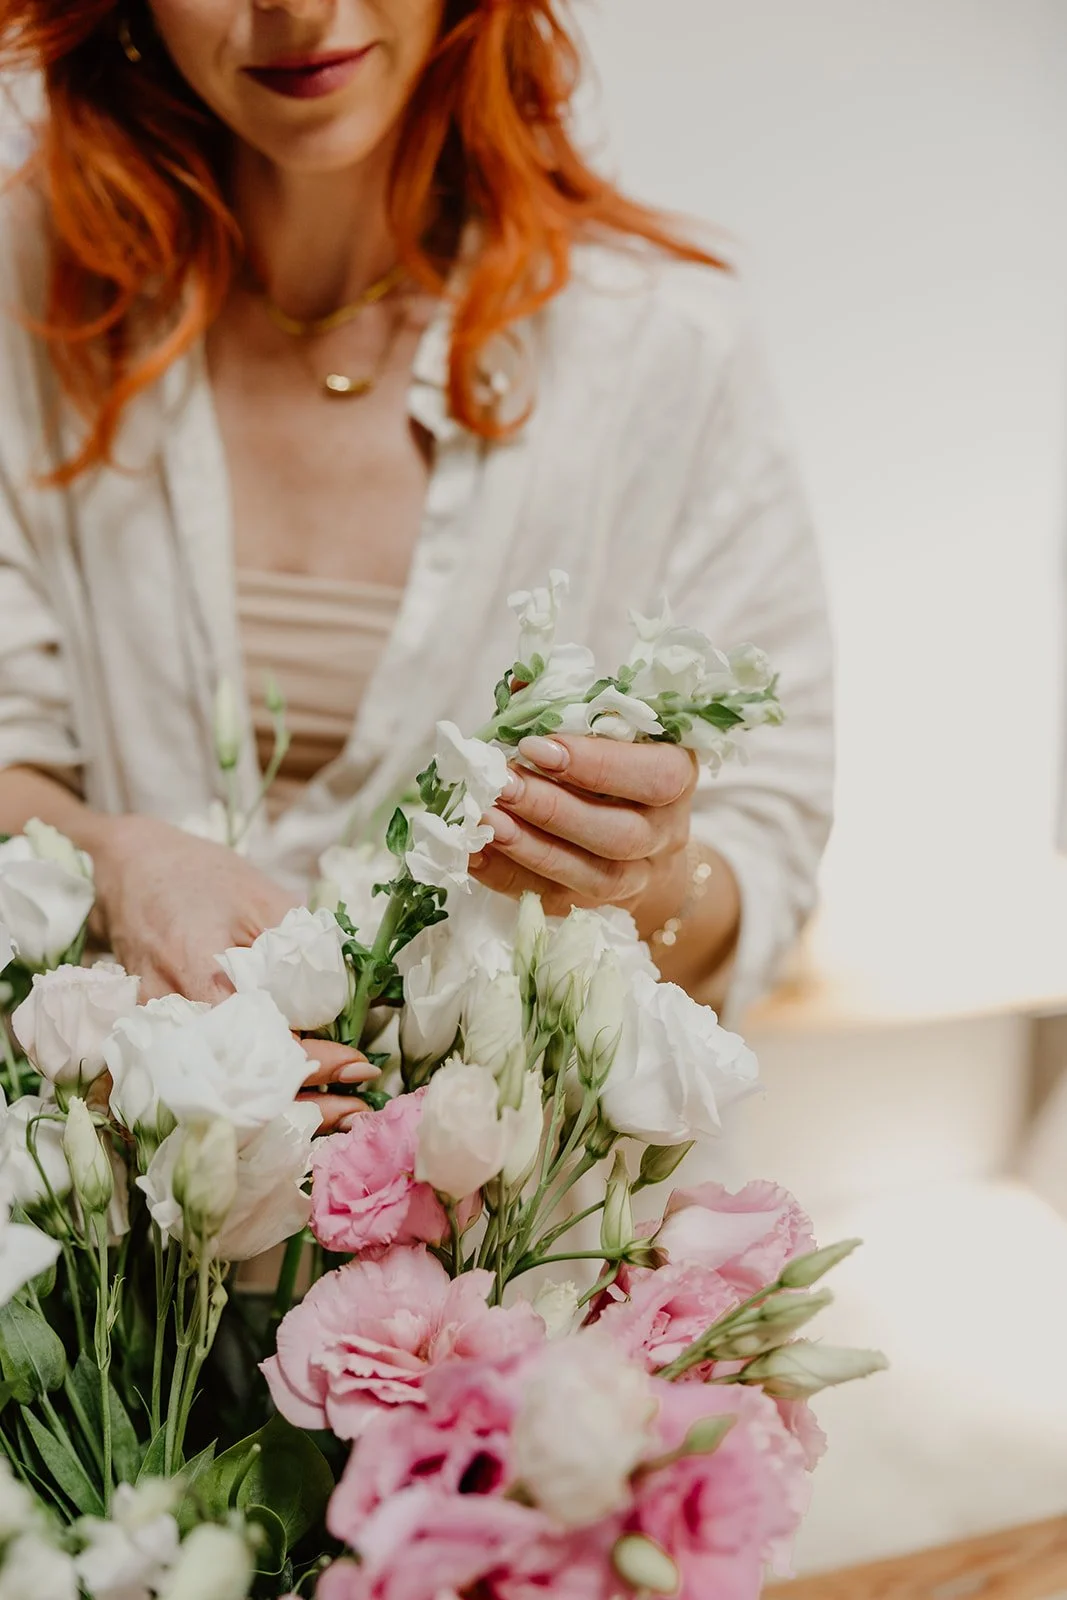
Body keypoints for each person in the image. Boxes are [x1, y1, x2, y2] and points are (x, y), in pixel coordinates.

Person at [0, 0, 832, 1129]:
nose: (294, 6)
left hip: (511, 1263)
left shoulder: (661, 348)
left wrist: (643, 877)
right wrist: (115, 861)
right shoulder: (28, 305)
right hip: (95, 1246)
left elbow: (766, 850)